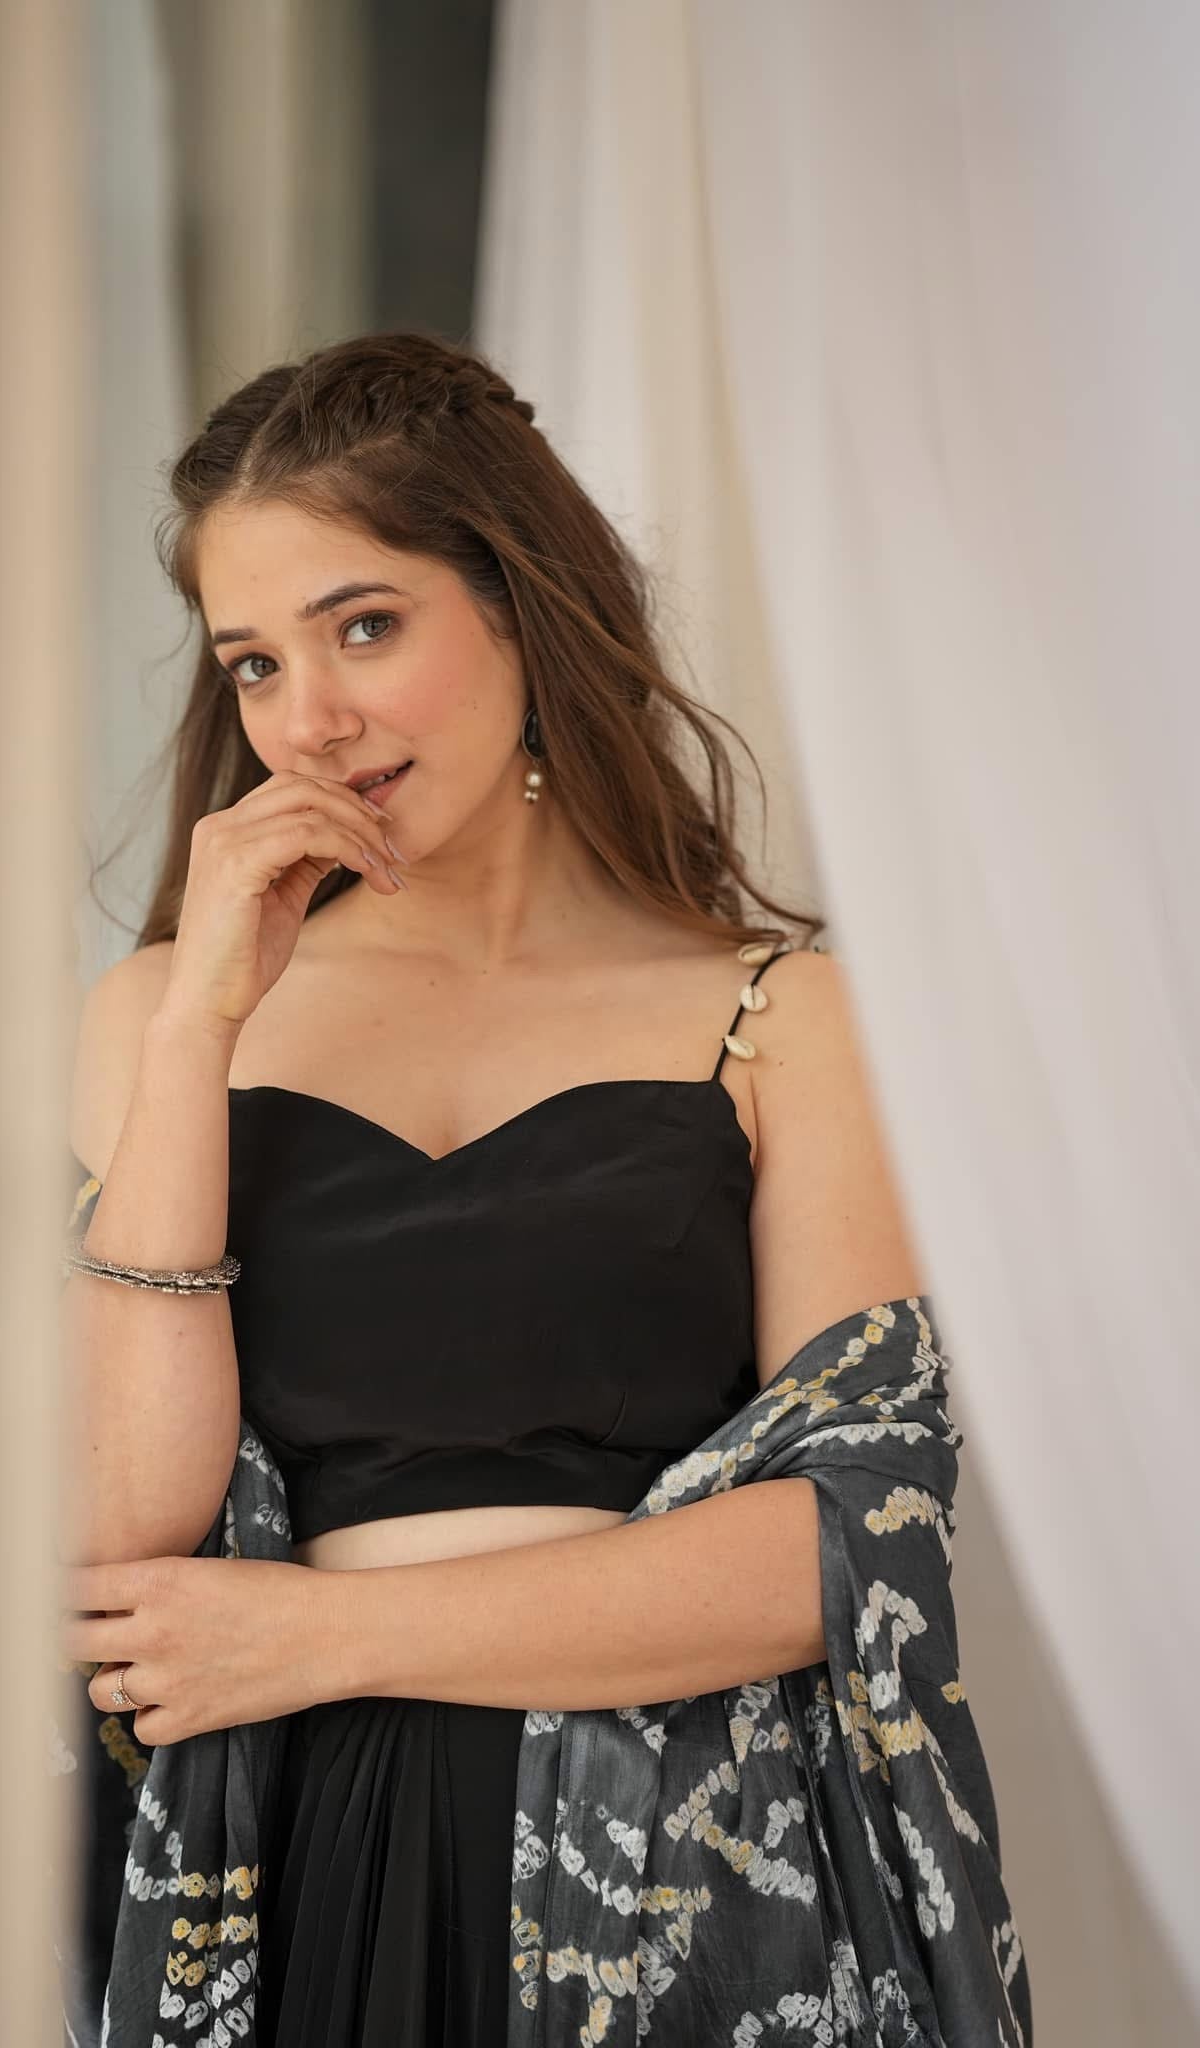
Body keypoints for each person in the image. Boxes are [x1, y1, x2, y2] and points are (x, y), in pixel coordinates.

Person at [57, 331, 963, 2045]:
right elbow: (121, 1542)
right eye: (253, 662)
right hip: (310, 1862)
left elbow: (848, 1548)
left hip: (689, 1870)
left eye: (364, 626)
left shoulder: (780, 1017)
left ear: (522, 612)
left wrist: (316, 1638)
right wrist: (200, 1026)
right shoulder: (163, 1019)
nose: (308, 719)